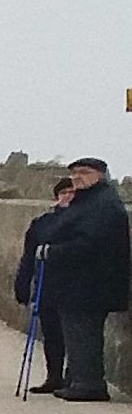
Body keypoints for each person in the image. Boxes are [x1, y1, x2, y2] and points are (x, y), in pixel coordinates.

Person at [39, 157, 128, 401]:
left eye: (84, 172)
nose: (77, 177)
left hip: (92, 283)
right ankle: (77, 379)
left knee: (84, 333)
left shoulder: (104, 205)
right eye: (74, 173)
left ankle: (89, 384)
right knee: (76, 333)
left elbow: (91, 242)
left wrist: (54, 251)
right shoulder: (89, 201)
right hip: (78, 283)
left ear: (100, 174)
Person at [20, 175, 75, 392]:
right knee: (51, 334)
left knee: (72, 335)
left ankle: (73, 377)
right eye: (64, 193)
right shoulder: (42, 223)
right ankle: (53, 377)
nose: (68, 197)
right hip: (47, 285)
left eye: (72, 193)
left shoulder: (82, 221)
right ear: (56, 197)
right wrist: (23, 286)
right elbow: (28, 256)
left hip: (72, 285)